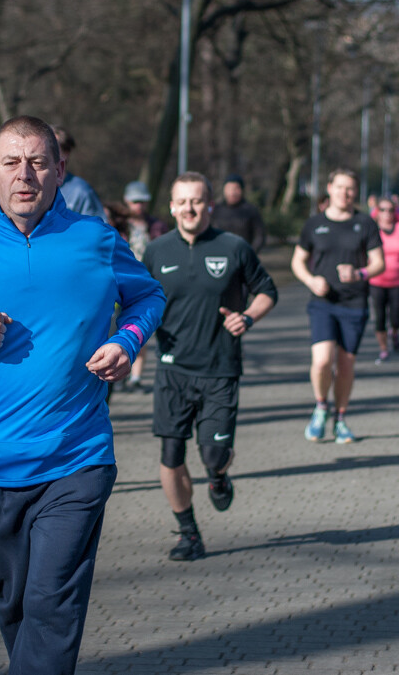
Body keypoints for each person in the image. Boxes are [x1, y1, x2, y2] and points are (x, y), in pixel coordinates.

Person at [0, 116, 165, 674]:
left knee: (51, 605)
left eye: (39, 163)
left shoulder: (93, 239)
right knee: (11, 603)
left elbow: (148, 297)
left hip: (77, 457)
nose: (27, 175)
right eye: (13, 164)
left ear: (59, 171)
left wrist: (127, 340)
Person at [143, 172, 278, 561]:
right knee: (171, 454)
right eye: (182, 201)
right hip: (172, 370)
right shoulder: (155, 252)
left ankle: (218, 477)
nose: (189, 208)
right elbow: (135, 300)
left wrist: (247, 317)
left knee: (213, 455)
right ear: (171, 207)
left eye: (197, 201)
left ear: (209, 205)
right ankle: (189, 534)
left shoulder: (233, 247)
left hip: (220, 368)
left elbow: (267, 291)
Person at [291, 168, 384, 444]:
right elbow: (297, 261)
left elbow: (379, 263)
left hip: (354, 302)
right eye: (340, 187)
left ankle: (341, 418)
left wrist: (360, 274)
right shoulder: (314, 224)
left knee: (345, 364)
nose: (345, 193)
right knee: (321, 361)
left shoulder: (365, 223)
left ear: (356, 192)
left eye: (350, 189)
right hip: (323, 302)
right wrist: (310, 280)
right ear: (329, 188)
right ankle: (321, 406)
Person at [121, 180, 168, 390]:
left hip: (144, 284)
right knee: (117, 330)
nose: (138, 205)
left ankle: (136, 378)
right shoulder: (116, 225)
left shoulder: (156, 226)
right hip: (119, 283)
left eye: (142, 201)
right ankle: (119, 376)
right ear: (127, 201)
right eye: (134, 201)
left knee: (140, 328)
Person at [369, 199, 399, 363]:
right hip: (377, 281)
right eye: (383, 209)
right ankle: (383, 349)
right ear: (377, 212)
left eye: (390, 210)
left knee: (395, 317)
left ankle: (395, 333)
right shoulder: (372, 231)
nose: (386, 213)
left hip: (398, 280)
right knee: (380, 317)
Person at [52, 125, 107, 220]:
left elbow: (97, 230)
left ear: (66, 153)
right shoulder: (30, 188)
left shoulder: (81, 191)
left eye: (53, 147)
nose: (45, 152)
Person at [211, 174, 266, 251]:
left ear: (242, 190)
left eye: (236, 189)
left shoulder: (251, 210)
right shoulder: (216, 210)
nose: (232, 193)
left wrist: (250, 253)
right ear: (224, 190)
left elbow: (259, 236)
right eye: (229, 188)